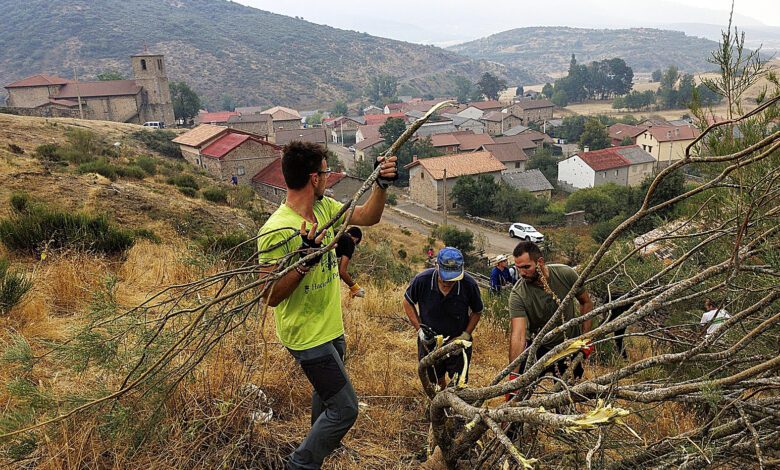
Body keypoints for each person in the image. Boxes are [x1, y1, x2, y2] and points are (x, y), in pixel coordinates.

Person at [257, 141, 397, 470]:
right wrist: (304, 261)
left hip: (331, 326)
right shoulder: (275, 230)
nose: (328, 177)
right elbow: (269, 296)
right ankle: (301, 464)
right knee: (346, 408)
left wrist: (381, 184)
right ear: (313, 178)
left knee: (327, 397)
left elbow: (369, 216)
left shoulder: (324, 210)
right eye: (325, 171)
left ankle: (319, 450)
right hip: (308, 337)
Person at [508, 241, 593, 381]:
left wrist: (585, 338)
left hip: (568, 345)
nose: (522, 273)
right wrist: (513, 376)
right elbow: (518, 335)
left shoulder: (566, 274)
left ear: (540, 262)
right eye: (518, 268)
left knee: (567, 393)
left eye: (526, 267)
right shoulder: (518, 294)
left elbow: (586, 302)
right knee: (520, 390)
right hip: (539, 346)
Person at [402, 247, 484, 388]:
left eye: (453, 279)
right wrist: (419, 330)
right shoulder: (422, 280)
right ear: (437, 267)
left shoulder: (469, 285)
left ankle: (453, 407)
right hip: (430, 342)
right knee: (434, 383)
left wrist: (465, 335)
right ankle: (437, 406)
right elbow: (407, 302)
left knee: (459, 384)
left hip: (457, 342)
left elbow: (477, 311)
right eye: (445, 278)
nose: (448, 283)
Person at [336, 226, 365, 298]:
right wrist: (355, 288)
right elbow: (342, 272)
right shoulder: (349, 242)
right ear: (356, 239)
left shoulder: (337, 233)